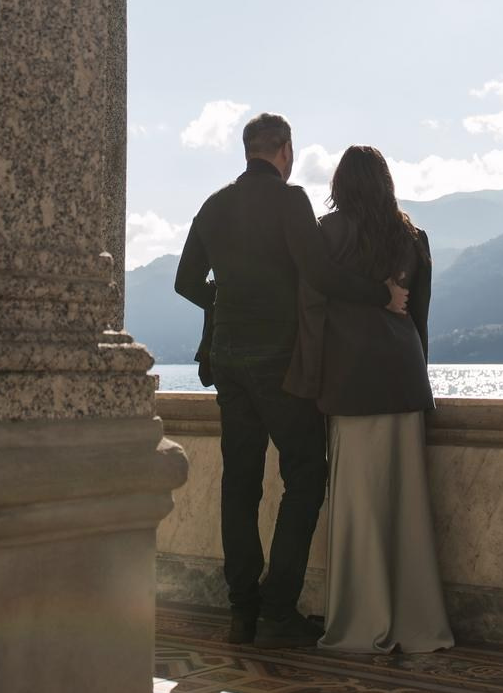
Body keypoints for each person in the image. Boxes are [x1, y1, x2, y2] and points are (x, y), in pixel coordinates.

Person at [174, 113, 407, 648]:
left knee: (240, 484)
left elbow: (186, 281)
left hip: (229, 361)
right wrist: (381, 297)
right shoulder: (290, 201)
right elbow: (322, 276)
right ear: (284, 150)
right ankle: (278, 608)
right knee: (305, 476)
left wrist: (226, 301)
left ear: (247, 150)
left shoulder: (213, 205)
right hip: (280, 361)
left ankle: (241, 612)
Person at [286, 145, 453, 655]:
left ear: (340, 184)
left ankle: (359, 620)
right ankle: (414, 618)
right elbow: (419, 319)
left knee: (357, 506)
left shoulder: (326, 234)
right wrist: (416, 375)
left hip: (349, 382)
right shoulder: (413, 237)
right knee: (406, 506)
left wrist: (311, 382)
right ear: (385, 182)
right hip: (401, 379)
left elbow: (311, 309)